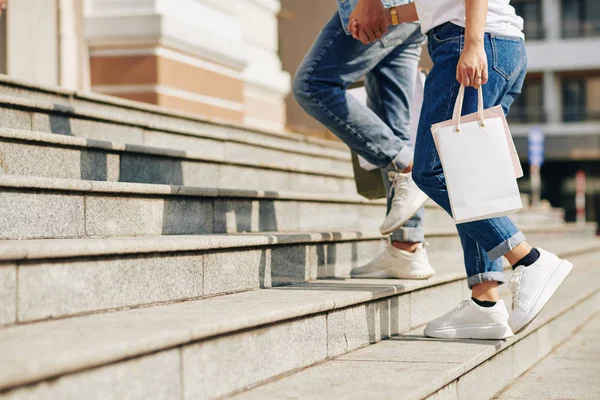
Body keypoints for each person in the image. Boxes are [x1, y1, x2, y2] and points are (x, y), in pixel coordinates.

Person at [349, 0, 573, 339]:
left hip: (467, 42)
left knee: (431, 170)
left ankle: (529, 259)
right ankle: (485, 302)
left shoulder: (470, 40)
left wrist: (473, 43)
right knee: (471, 175)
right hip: (499, 45)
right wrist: (388, 16)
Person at [293, 0, 435, 280]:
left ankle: (404, 164)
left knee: (313, 84)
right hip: (411, 13)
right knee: (396, 124)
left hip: (381, 3)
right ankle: (406, 247)